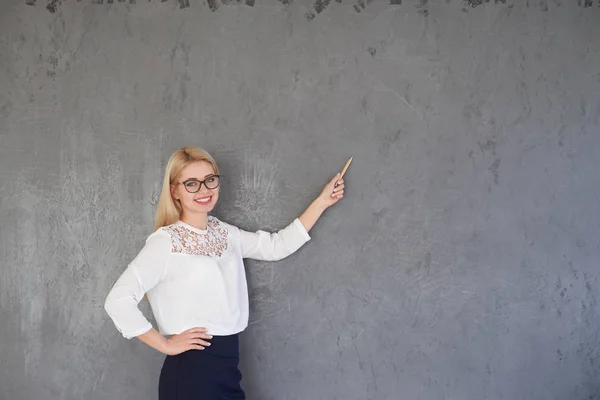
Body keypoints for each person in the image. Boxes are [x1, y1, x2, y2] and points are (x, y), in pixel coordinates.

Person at [104, 146, 346, 400]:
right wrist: (165, 344)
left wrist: (322, 202)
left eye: (210, 180)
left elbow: (276, 246)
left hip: (228, 366)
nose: (204, 190)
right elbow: (118, 301)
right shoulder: (166, 242)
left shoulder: (224, 233)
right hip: (192, 374)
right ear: (174, 190)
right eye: (191, 184)